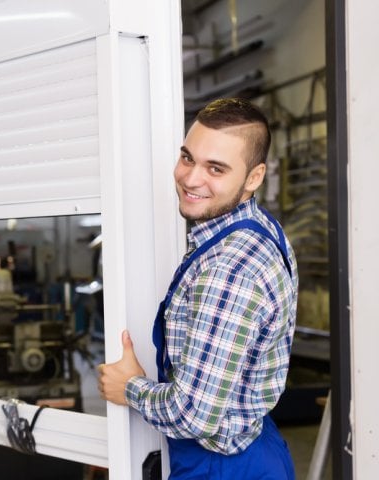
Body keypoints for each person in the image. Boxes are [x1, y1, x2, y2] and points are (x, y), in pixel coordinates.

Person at [98, 98, 298, 479]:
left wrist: (129, 387)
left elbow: (193, 415)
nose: (190, 178)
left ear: (253, 178)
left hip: (223, 467)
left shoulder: (231, 268)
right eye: (188, 157)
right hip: (255, 447)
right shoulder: (254, 226)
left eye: (216, 168)